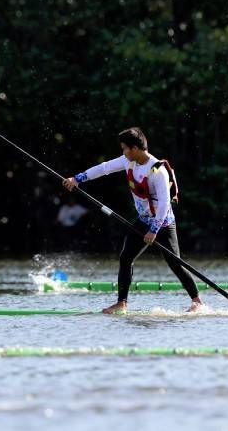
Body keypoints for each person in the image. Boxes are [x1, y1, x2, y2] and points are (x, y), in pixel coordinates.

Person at [62, 127, 203, 314]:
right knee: (125, 258)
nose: (123, 152)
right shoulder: (128, 161)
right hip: (144, 219)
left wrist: (154, 230)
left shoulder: (158, 172)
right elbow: (104, 168)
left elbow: (164, 205)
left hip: (163, 223)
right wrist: (78, 178)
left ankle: (197, 301)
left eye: (125, 148)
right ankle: (122, 303)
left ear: (135, 148)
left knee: (175, 264)